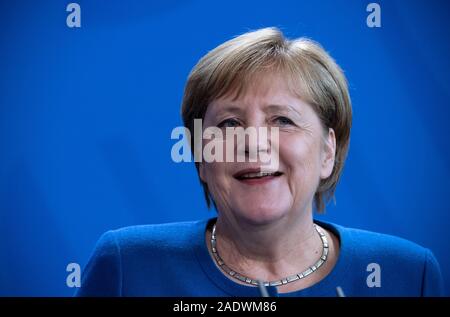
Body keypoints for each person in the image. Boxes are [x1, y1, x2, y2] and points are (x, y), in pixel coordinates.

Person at [76, 27, 443, 297]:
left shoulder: (409, 275)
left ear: (327, 152)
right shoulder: (128, 267)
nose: (253, 143)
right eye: (229, 123)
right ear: (202, 157)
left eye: (282, 120)